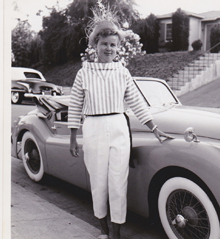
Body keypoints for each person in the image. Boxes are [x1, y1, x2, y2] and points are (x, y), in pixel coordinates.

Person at [68, 20, 173, 239]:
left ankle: (116, 232)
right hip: (93, 128)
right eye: (104, 43)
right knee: (98, 181)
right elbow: (76, 105)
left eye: (113, 45)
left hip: (118, 128)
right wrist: (72, 136)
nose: (108, 49)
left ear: (118, 48)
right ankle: (103, 229)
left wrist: (154, 128)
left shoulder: (122, 72)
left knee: (118, 180)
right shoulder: (83, 73)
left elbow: (136, 101)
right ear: (95, 45)